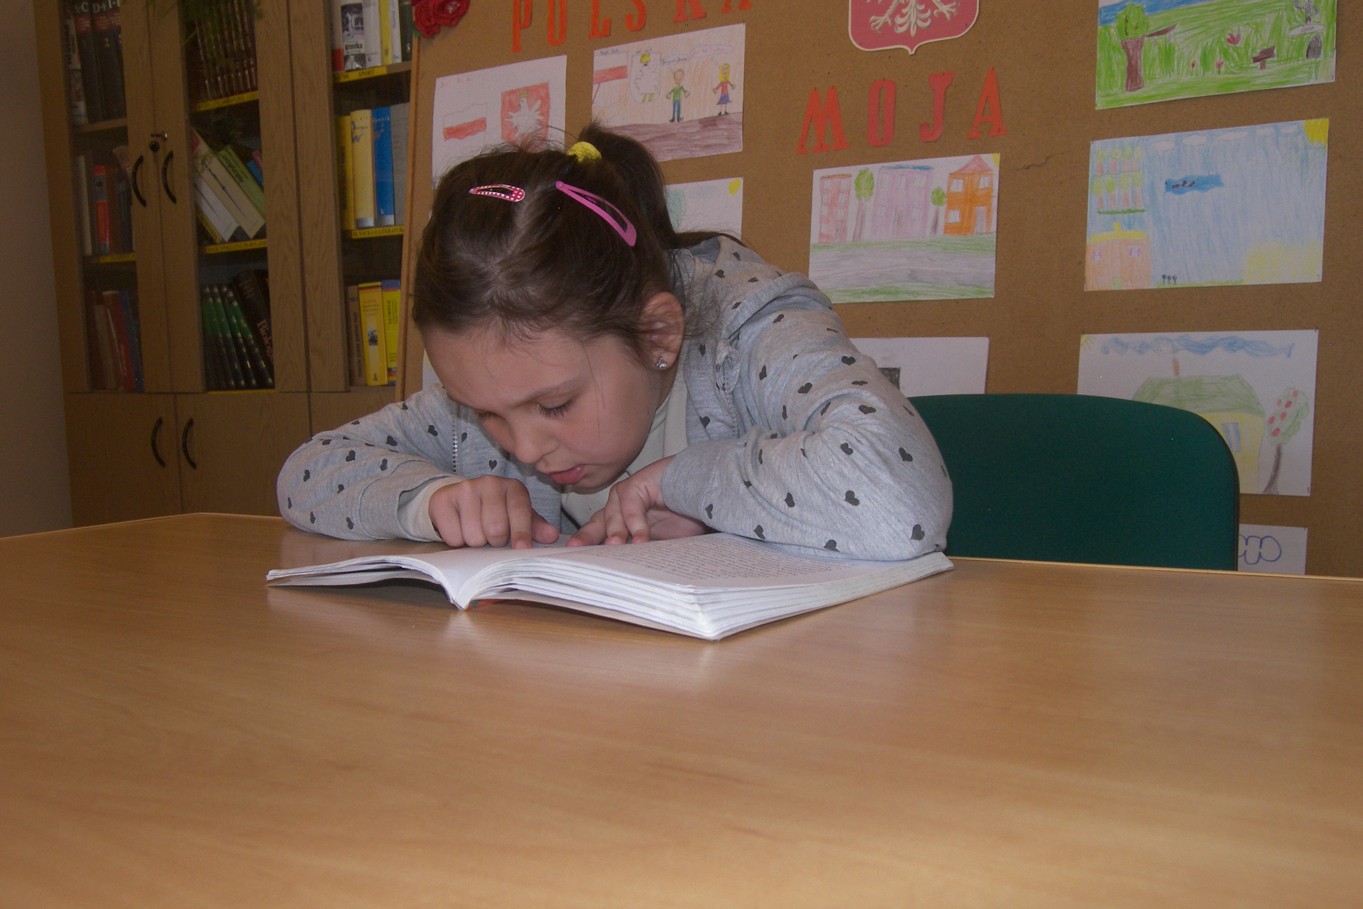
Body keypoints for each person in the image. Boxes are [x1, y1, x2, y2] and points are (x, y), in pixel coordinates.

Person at [277, 123, 952, 561]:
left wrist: (683, 485)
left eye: (555, 405)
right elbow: (307, 471)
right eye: (482, 411)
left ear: (658, 333)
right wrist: (430, 502)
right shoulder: (500, 386)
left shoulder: (747, 328)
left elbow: (903, 501)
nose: (522, 448)